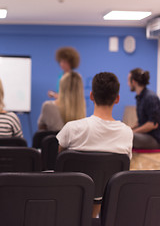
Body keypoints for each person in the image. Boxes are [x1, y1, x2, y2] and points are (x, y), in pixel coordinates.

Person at [56, 72, 133, 217]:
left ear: (91, 96)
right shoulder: (126, 133)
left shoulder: (72, 129)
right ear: (117, 99)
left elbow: (59, 161)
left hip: (70, 199)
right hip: (106, 201)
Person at [128, 68, 160, 149]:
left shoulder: (150, 97)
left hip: (155, 138)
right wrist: (127, 129)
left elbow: (152, 124)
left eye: (128, 81)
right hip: (145, 135)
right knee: (124, 134)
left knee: (128, 137)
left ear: (134, 82)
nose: (128, 84)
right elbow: (141, 122)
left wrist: (132, 132)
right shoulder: (140, 97)